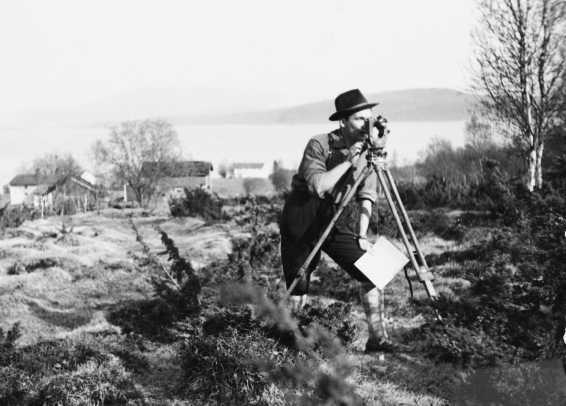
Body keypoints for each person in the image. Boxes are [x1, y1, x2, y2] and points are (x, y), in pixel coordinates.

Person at [279, 88, 393, 352]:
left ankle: (378, 338)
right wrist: (350, 160)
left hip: (332, 214)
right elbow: (318, 186)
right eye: (359, 119)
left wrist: (362, 236)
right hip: (302, 213)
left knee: (375, 270)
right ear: (343, 122)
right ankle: (290, 343)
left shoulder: (369, 152)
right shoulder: (319, 143)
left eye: (369, 118)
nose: (367, 125)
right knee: (299, 283)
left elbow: (368, 195)